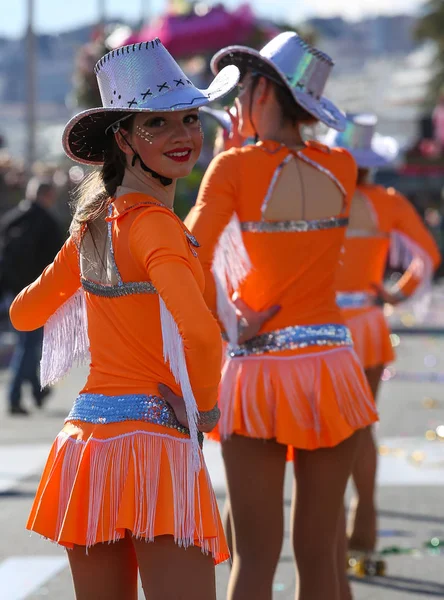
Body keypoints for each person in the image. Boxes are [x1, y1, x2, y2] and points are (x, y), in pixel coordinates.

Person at [9, 39, 240, 600]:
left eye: (190, 117)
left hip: (85, 446)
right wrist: (204, 409)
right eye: (156, 124)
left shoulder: (92, 226)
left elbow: (25, 313)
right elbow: (202, 335)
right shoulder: (154, 224)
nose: (184, 135)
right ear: (123, 140)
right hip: (154, 443)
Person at [185, 32, 377, 600]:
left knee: (255, 558)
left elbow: (185, 254)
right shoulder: (341, 165)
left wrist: (230, 318)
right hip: (331, 369)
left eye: (243, 89)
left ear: (262, 90)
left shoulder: (233, 168)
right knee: (322, 558)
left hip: (258, 370)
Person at [325, 114, 441, 564]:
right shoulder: (387, 202)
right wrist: (396, 293)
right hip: (368, 322)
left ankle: (331, 522)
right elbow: (427, 255)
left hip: (323, 322)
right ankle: (365, 516)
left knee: (327, 431)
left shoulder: (317, 198)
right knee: (361, 426)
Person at [0, 178, 62, 415]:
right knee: (28, 346)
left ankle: (37, 391)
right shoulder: (47, 223)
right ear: (47, 195)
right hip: (36, 295)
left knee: (28, 344)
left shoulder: (11, 219)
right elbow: (56, 266)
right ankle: (15, 397)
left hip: (13, 294)